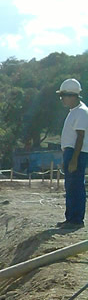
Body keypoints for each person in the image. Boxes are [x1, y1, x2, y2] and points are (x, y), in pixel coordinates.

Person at [57, 78, 88, 229]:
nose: (62, 99)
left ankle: (76, 219)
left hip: (77, 152)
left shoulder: (81, 112)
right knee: (70, 186)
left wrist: (74, 159)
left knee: (75, 186)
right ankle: (70, 218)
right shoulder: (74, 112)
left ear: (73, 96)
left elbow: (80, 137)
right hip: (72, 152)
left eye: (64, 95)